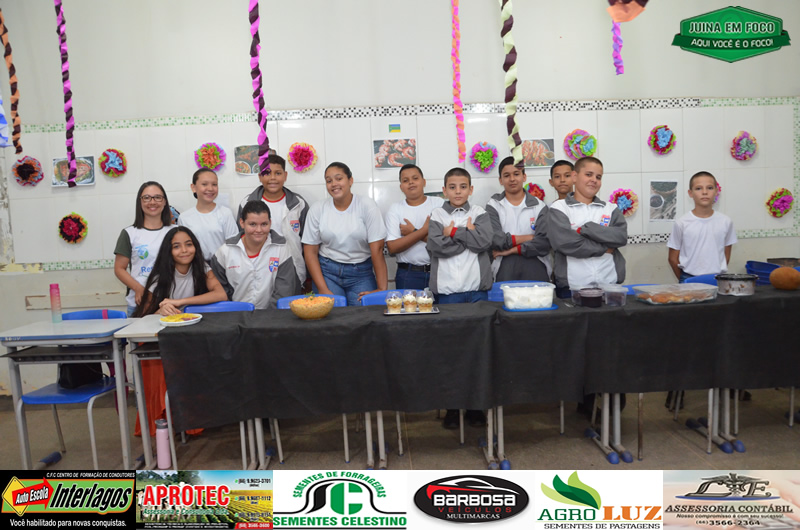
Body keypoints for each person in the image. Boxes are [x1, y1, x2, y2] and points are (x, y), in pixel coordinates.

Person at [131, 226, 228, 437]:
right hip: (159, 341)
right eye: (177, 246)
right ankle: (165, 420)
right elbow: (145, 317)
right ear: (169, 251)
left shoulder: (202, 267)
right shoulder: (159, 277)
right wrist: (160, 310)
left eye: (188, 244)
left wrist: (180, 302)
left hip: (188, 337)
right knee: (165, 368)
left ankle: (193, 419)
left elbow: (221, 295)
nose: (184, 250)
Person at [427, 167, 492, 429]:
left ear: (471, 189)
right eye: (452, 187)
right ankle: (452, 408)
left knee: (478, 352)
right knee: (451, 353)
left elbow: (484, 242)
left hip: (476, 291)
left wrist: (453, 233)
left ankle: (475, 407)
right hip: (448, 294)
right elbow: (436, 246)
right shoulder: (437, 214)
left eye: (463, 186)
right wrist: (469, 234)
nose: (458, 191)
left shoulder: (480, 213)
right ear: (444, 190)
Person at [302, 162, 388, 306]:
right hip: (327, 272)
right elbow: (310, 251)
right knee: (331, 315)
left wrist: (381, 289)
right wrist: (323, 288)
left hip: (361, 273)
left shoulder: (367, 206)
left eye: (339, 178)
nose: (334, 184)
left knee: (365, 314)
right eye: (329, 181)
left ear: (350, 180)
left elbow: (377, 250)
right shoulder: (318, 209)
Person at [547, 156, 627, 293]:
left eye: (598, 177)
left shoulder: (611, 209)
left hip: (609, 287)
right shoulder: (559, 208)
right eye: (589, 174)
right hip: (572, 289)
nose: (594, 180)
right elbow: (566, 243)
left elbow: (621, 237)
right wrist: (605, 248)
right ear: (574, 176)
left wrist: (589, 229)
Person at [210, 201, 302, 309]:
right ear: (242, 223)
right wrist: (234, 313)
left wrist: (267, 317)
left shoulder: (281, 249)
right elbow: (221, 293)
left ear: (270, 223)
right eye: (252, 224)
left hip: (271, 315)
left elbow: (284, 291)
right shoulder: (225, 252)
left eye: (264, 224)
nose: (259, 230)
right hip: (235, 314)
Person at [238, 154, 308, 283]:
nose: (272, 178)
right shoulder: (247, 203)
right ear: (260, 176)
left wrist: (308, 276)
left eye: (278, 173)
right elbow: (242, 239)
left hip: (293, 270)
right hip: (258, 271)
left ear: (285, 176)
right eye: (267, 173)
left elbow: (308, 242)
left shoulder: (299, 203)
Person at [486, 156, 551, 282]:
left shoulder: (539, 206)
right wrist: (529, 237)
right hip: (503, 267)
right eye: (506, 175)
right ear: (500, 180)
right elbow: (496, 240)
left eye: (516, 174)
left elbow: (544, 243)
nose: (512, 179)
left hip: (536, 265)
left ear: (524, 177)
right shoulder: (493, 205)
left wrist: (511, 250)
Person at [114, 181, 175, 316]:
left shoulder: (176, 231)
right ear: (140, 202)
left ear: (165, 202)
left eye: (157, 197)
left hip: (172, 302)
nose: (152, 202)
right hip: (140, 303)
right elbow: (119, 269)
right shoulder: (129, 233)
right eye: (146, 198)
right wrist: (139, 289)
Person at [668, 171, 736, 282]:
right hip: (689, 278)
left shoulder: (726, 222)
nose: (704, 192)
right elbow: (672, 258)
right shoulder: (681, 223)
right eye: (698, 188)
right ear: (690, 193)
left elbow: (726, 255)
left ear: (716, 191)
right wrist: (685, 280)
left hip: (717, 278)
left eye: (710, 188)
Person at [384, 164, 444, 290]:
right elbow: (393, 247)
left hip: (440, 271)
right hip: (408, 275)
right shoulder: (395, 209)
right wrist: (424, 230)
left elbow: (444, 242)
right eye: (405, 180)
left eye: (415, 178)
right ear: (401, 187)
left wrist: (413, 232)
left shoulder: (439, 204)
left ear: (424, 182)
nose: (411, 182)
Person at [178, 168, 239, 261]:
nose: (210, 189)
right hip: (196, 265)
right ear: (193, 187)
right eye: (204, 184)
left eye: (214, 184)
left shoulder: (225, 213)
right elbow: (184, 247)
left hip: (222, 264)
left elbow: (233, 245)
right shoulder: (184, 218)